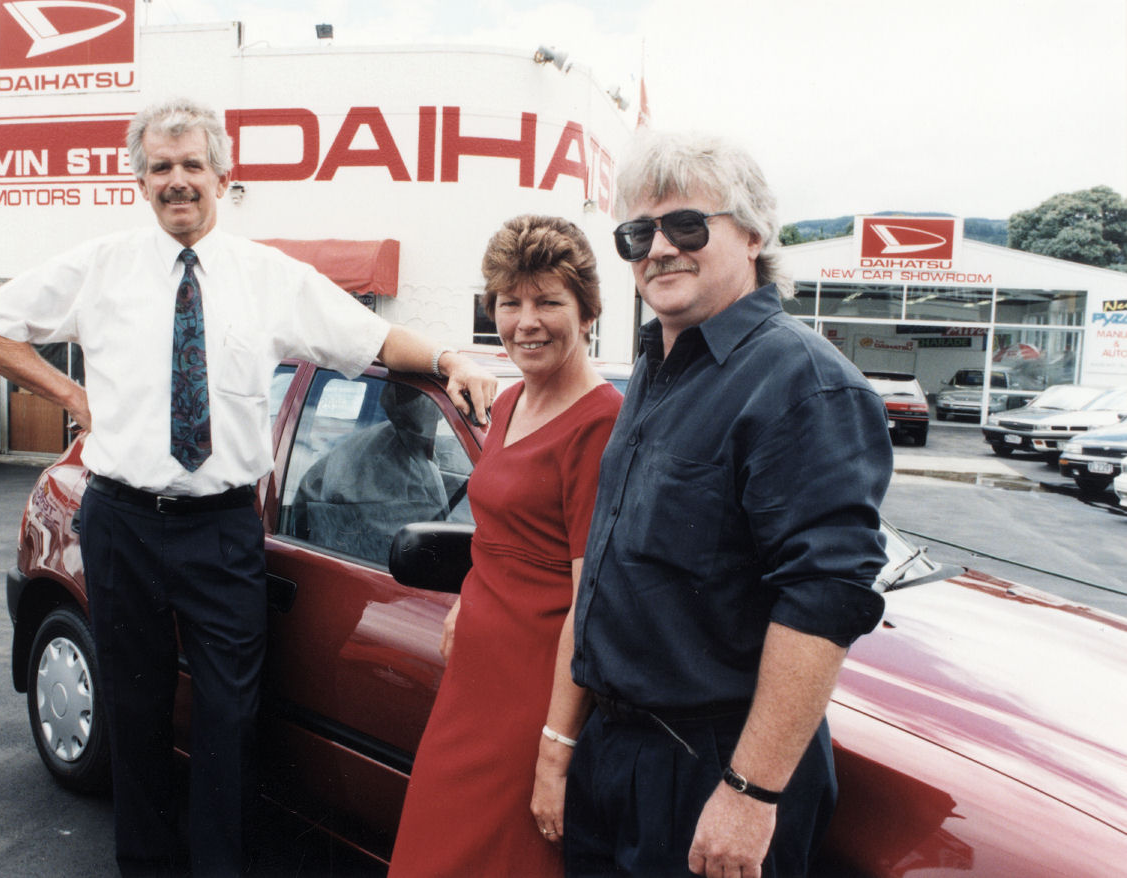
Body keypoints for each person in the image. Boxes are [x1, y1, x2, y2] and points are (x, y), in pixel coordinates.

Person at [0, 97, 496, 877]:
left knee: (229, 720)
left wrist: (450, 360)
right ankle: (144, 863)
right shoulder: (99, 266)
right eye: (162, 167)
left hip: (222, 533)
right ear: (140, 180)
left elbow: (372, 338)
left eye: (193, 166)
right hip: (121, 524)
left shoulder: (268, 277)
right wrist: (70, 398)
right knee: (136, 710)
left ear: (224, 176)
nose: (178, 181)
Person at [565, 131, 893, 878]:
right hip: (617, 755)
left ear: (752, 233)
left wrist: (751, 790)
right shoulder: (657, 365)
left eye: (687, 225)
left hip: (713, 765)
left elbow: (825, 595)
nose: (659, 249)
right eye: (636, 233)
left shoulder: (801, 382)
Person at [388, 215, 622, 878]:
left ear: (587, 311)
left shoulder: (601, 423)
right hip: (471, 682)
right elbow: (498, 534)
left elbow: (590, 600)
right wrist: (467, 597)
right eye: (510, 302)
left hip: (532, 699)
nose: (526, 321)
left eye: (549, 301)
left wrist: (556, 748)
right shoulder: (511, 401)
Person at [292, 381, 451, 560]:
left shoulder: (412, 452)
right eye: (435, 416)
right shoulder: (373, 459)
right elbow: (384, 530)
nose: (438, 422)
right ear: (408, 419)